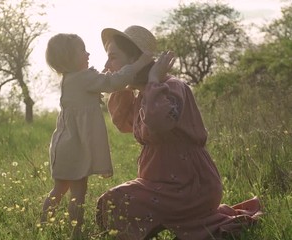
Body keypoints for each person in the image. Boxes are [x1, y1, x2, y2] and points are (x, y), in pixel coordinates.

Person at [95, 25, 262, 240]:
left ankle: (197, 220)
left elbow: (157, 123)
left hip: (189, 185)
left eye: (113, 57)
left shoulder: (171, 87)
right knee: (112, 203)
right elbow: (124, 124)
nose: (107, 65)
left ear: (137, 59)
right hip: (161, 183)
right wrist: (119, 84)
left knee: (116, 199)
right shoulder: (143, 94)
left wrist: (153, 79)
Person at [41, 33, 153, 238]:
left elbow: (100, 82)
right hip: (74, 147)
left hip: (64, 145)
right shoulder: (83, 78)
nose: (88, 53)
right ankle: (77, 232)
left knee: (59, 189)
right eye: (82, 50)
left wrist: (104, 75)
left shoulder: (72, 78)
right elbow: (113, 83)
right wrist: (138, 65)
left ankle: (42, 225)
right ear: (69, 58)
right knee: (78, 193)